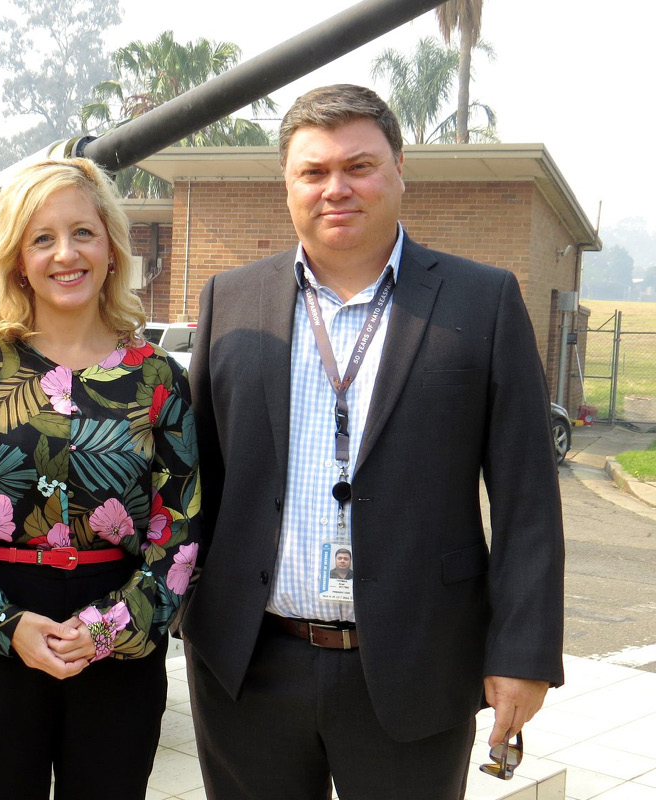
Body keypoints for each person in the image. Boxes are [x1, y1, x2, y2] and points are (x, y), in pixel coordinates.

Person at [181, 84, 564, 799]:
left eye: (359, 166)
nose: (336, 188)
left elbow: (527, 498)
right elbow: (195, 478)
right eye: (313, 172)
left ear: (397, 174)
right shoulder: (229, 300)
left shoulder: (483, 302)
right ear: (288, 187)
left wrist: (524, 651)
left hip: (417, 665)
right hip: (248, 664)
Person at [0, 158, 200, 799]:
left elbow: (179, 526)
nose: (65, 254)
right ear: (17, 258)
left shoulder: (158, 378)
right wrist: (5, 623)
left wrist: (110, 627)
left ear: (112, 247)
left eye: (83, 233)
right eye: (43, 238)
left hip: (118, 642)